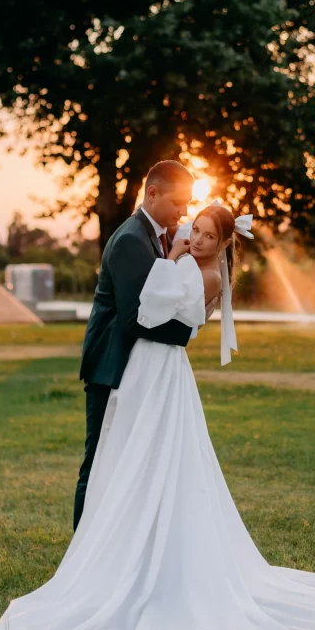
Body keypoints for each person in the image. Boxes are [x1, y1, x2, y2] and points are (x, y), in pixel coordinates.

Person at [0, 197, 315, 630]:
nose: (194, 238)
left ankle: (146, 565)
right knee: (130, 456)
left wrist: (172, 258)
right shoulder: (189, 262)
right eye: (194, 229)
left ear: (223, 243)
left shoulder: (203, 273)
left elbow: (150, 312)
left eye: (207, 236)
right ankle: (114, 552)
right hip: (145, 368)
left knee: (153, 458)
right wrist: (173, 258)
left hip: (159, 370)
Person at [72, 159, 194, 529]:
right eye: (177, 203)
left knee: (129, 461)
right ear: (152, 193)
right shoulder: (130, 240)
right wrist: (185, 332)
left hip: (134, 366)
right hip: (111, 365)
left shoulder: (158, 238)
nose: (183, 212)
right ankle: (81, 555)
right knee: (99, 461)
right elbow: (133, 317)